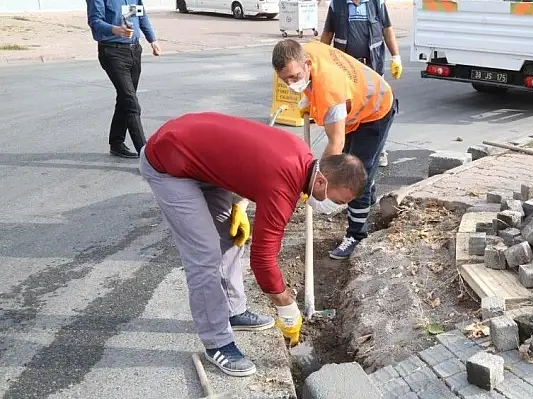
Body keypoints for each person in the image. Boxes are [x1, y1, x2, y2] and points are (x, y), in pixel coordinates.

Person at [139, 112, 367, 377]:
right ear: (320, 181)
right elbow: (263, 259)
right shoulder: (283, 187)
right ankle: (217, 343)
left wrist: (240, 200)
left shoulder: (301, 155)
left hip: (200, 158)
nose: (333, 208)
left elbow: (246, 161)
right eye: (337, 201)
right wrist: (286, 304)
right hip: (168, 162)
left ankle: (233, 311)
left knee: (230, 239)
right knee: (204, 255)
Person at [272, 39, 395, 260]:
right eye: (285, 80)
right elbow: (309, 81)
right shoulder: (301, 53)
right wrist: (308, 94)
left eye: (295, 78)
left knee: (355, 175)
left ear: (307, 65)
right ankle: (367, 201)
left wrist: (313, 183)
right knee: (360, 164)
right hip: (354, 107)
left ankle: (357, 235)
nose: (291, 84)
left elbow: (335, 147)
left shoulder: (330, 92)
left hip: (376, 109)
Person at [320, 0, 403, 168]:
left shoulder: (377, 3)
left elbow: (387, 30)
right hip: (346, 71)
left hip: (372, 68)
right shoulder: (337, 4)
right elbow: (328, 34)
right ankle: (347, 150)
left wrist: (396, 57)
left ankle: (379, 150)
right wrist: (320, 61)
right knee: (349, 110)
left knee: (376, 110)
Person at [87, 0, 162, 159]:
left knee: (125, 99)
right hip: (113, 53)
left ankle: (116, 143)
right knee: (132, 104)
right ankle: (147, 157)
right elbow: (95, 21)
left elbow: (139, 15)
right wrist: (116, 29)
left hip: (134, 51)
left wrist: (152, 40)